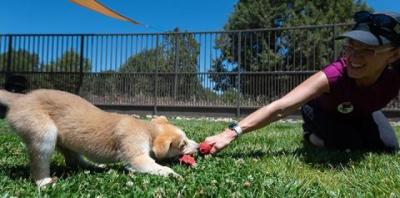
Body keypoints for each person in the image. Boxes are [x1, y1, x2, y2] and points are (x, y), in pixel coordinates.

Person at [204, 11, 400, 154]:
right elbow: (280, 107)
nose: (354, 57)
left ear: (393, 55)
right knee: (348, 144)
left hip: (364, 112)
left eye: (367, 50)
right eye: (350, 47)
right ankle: (311, 135)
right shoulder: (335, 74)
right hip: (322, 112)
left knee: (388, 147)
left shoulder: (394, 75)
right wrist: (232, 132)